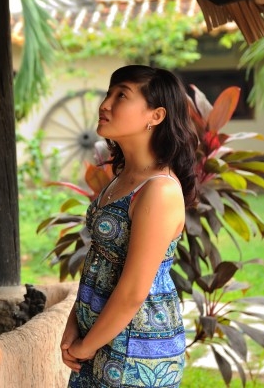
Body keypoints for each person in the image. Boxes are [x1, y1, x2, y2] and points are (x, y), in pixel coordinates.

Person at [61, 65, 198, 387]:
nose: (105, 104)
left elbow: (135, 290)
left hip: (136, 352)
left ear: (156, 116)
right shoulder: (124, 178)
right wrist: (74, 322)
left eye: (121, 95)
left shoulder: (159, 190)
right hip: (99, 336)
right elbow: (100, 260)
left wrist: (86, 345)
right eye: (108, 94)